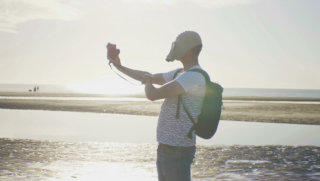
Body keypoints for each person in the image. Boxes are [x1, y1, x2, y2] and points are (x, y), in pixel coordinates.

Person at [107, 31, 206, 181]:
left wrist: (147, 81)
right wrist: (119, 66)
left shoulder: (193, 76)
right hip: (167, 147)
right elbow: (148, 76)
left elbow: (153, 94)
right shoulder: (180, 73)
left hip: (178, 149)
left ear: (190, 50)